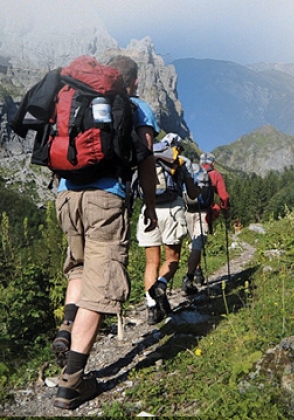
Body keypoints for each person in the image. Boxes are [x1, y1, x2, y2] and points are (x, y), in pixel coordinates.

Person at [51, 55, 159, 410]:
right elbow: (145, 159)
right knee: (102, 287)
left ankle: (67, 326)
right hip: (105, 199)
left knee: (79, 268)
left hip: (66, 195)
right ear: (134, 81)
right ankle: (72, 383)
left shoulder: (76, 92)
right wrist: (150, 206)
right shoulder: (136, 106)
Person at [137, 134, 198, 324]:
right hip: (172, 209)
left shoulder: (147, 155)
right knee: (172, 258)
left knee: (151, 263)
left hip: (148, 208)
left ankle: (152, 307)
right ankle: (161, 285)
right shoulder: (182, 160)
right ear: (177, 146)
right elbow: (192, 193)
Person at [182, 152, 229, 295]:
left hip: (187, 212)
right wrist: (225, 211)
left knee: (194, 243)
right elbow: (224, 197)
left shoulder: (191, 171)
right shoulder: (215, 175)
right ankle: (189, 278)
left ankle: (198, 273)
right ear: (213, 163)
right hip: (203, 213)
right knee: (198, 245)